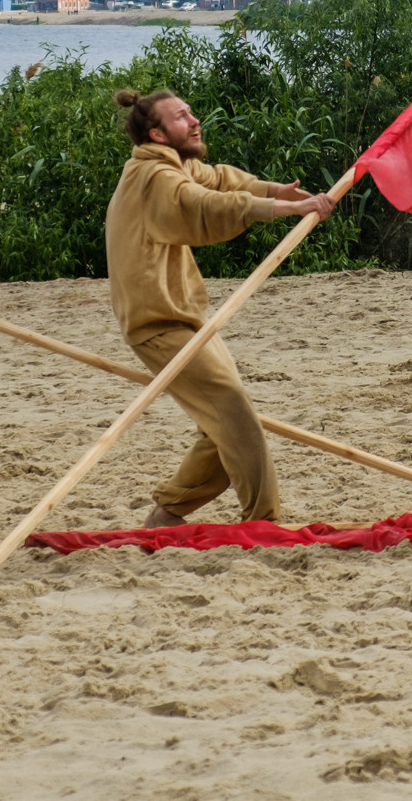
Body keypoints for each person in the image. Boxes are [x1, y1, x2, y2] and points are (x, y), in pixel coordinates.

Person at [105, 88, 334, 527]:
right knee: (237, 416)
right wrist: (286, 207)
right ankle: (263, 521)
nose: (194, 121)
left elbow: (222, 180)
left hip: (185, 319)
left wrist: (271, 189)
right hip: (156, 324)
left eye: (191, 112)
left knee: (223, 422)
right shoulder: (153, 178)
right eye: (180, 117)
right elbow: (205, 204)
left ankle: (168, 513)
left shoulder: (177, 164)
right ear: (156, 133)